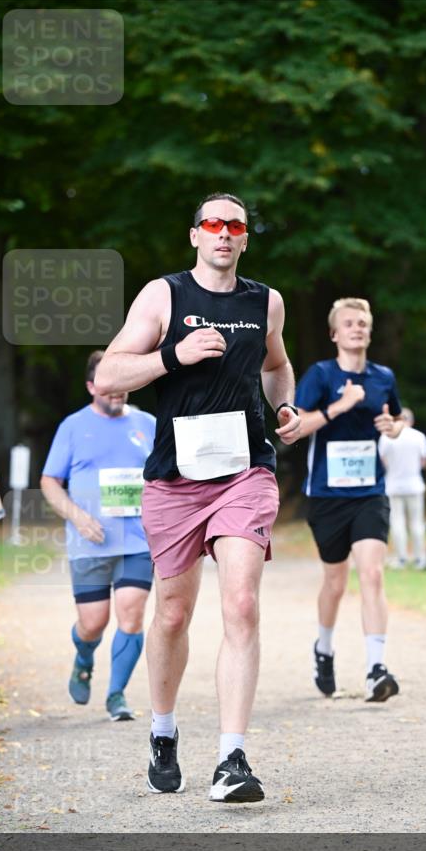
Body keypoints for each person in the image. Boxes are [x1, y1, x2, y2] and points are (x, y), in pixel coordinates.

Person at [95, 192, 300, 803]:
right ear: (195, 235)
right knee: (174, 614)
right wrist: (171, 355)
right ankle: (163, 731)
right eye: (213, 223)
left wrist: (283, 404)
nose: (224, 233)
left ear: (244, 238)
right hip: (174, 480)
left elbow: (276, 365)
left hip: (245, 473)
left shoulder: (266, 301)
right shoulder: (165, 296)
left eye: (234, 225)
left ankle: (232, 758)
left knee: (240, 604)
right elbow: (108, 374)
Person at [295, 297, 404, 703]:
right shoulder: (320, 375)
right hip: (326, 495)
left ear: (369, 331)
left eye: (363, 323)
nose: (357, 328)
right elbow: (295, 426)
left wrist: (394, 425)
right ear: (334, 334)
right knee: (336, 581)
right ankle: (324, 648)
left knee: (372, 573)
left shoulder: (383, 377)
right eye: (349, 323)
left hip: (370, 492)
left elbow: (399, 415)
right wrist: (339, 407)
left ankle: (376, 669)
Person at [40, 351, 156, 721]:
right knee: (93, 623)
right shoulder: (73, 427)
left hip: (138, 539)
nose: (117, 391)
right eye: (109, 386)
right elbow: (49, 482)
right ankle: (84, 656)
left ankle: (116, 695)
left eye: (123, 383)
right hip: (89, 540)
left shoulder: (149, 424)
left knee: (132, 616)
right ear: (92, 386)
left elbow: (167, 479)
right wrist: (79, 517)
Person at [378, 407, 426, 569]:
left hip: (393, 484)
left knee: (397, 522)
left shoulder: (386, 437)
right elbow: (424, 462)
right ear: (411, 420)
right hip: (414, 484)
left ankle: (401, 558)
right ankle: (419, 558)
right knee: (416, 522)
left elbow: (383, 461)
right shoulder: (419, 436)